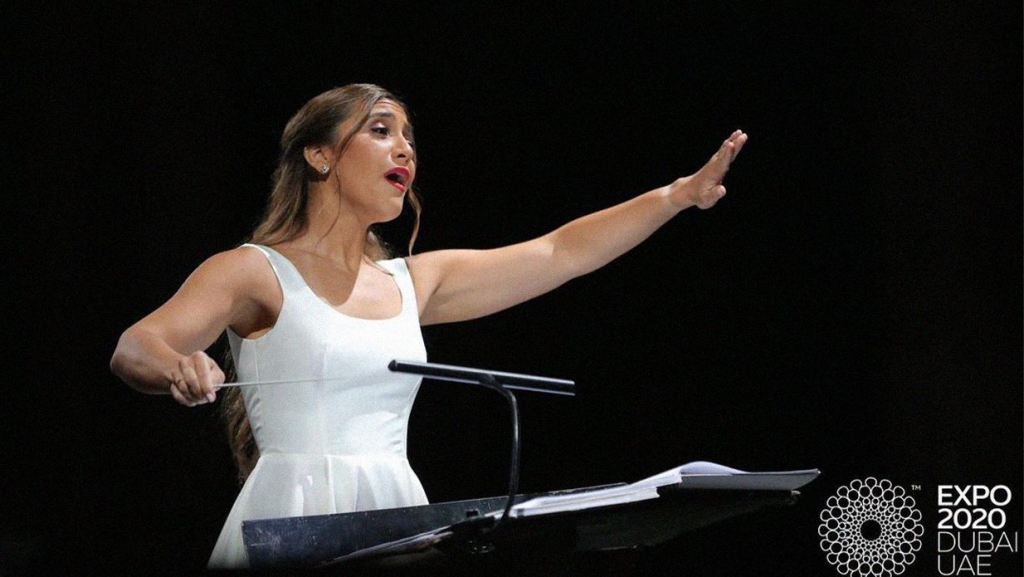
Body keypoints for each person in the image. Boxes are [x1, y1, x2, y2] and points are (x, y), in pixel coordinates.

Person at [109, 83, 747, 568]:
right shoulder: (254, 271)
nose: (405, 148)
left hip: (399, 512)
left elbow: (560, 252)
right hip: (294, 511)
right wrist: (178, 365)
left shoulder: (413, 282)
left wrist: (675, 197)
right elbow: (137, 345)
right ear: (320, 155)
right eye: (382, 130)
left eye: (409, 136)